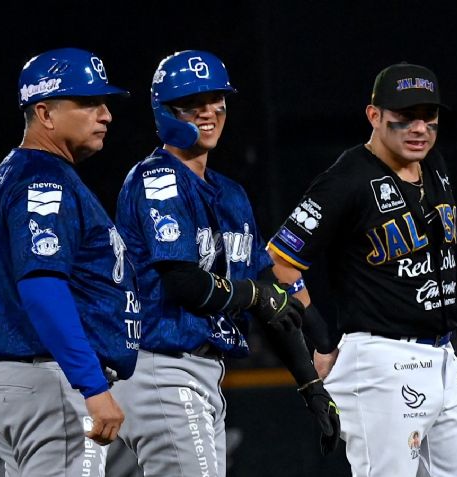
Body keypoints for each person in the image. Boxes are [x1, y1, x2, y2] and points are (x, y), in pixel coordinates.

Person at [112, 50, 340, 477]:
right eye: (194, 103)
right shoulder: (156, 180)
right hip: (162, 364)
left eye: (216, 99)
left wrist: (310, 384)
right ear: (165, 111)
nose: (209, 112)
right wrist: (258, 295)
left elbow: (271, 290)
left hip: (202, 371)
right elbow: (183, 282)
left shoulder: (230, 194)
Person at [267, 62, 457, 476]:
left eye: (429, 118)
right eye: (404, 119)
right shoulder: (347, 178)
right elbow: (281, 260)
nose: (418, 128)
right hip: (383, 358)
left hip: (443, 355)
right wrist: (320, 339)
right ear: (374, 116)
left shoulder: (435, 165)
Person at [0, 47, 141, 476]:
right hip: (47, 376)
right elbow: (42, 286)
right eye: (88, 103)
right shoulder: (43, 180)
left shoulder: (15, 172)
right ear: (45, 114)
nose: (105, 115)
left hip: (22, 372)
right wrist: (92, 384)